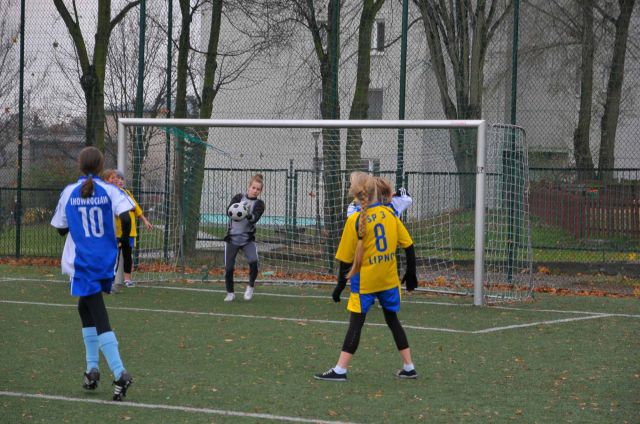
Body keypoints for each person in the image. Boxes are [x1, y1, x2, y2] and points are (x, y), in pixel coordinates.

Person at [315, 172, 419, 381]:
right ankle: (409, 366)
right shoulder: (390, 214)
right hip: (388, 280)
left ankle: (340, 370)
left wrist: (339, 286)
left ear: (356, 194)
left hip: (365, 283)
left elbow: (345, 260)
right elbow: (408, 245)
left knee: (356, 323)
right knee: (392, 320)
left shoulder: (355, 220)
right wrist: (411, 273)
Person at [50, 147, 134, 401]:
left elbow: (60, 228)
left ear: (80, 165)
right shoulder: (111, 190)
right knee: (84, 308)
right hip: (106, 259)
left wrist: (79, 223)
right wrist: (120, 240)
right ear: (101, 167)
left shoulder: (69, 191)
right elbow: (126, 218)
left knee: (97, 312)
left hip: (83, 261)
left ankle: (119, 372)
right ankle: (92, 369)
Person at [102, 169, 153, 289]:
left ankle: (127, 279)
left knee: (127, 255)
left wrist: (145, 220)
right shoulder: (110, 194)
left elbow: (136, 208)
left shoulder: (127, 193)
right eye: (116, 178)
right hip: (117, 232)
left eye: (121, 179)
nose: (119, 181)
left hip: (130, 231)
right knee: (114, 256)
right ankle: (111, 280)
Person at [223, 173, 266, 301]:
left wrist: (247, 214)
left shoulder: (259, 204)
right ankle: (230, 292)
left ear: (260, 191)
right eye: (253, 188)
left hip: (247, 240)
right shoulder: (238, 198)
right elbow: (228, 211)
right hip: (232, 239)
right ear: (249, 187)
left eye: (258, 189)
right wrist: (237, 210)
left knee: (254, 261)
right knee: (229, 268)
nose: (255, 190)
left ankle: (250, 286)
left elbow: (254, 219)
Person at [347, 174, 412, 218]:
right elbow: (408, 198)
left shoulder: (362, 208)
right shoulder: (394, 203)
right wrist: (396, 193)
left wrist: (358, 199)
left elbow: (350, 213)